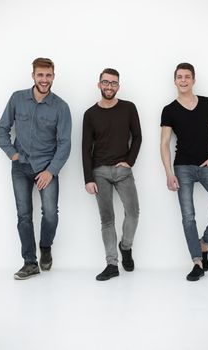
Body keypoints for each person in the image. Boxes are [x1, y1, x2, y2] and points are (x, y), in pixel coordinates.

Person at [0, 57, 72, 280]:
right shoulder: (17, 99)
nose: (44, 79)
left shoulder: (61, 106)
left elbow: (65, 143)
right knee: (23, 215)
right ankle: (30, 262)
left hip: (46, 167)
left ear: (53, 76)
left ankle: (45, 247)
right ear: (33, 76)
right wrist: (12, 153)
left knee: (50, 214)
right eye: (40, 75)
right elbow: (2, 129)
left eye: (48, 75)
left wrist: (51, 171)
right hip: (20, 167)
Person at [160, 62, 208, 281]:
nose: (183, 80)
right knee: (188, 217)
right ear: (175, 80)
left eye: (187, 77)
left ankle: (204, 244)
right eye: (179, 77)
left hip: (206, 165)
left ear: (193, 80)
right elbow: (163, 143)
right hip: (182, 168)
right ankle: (197, 262)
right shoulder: (169, 109)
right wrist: (169, 173)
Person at [82, 68, 142, 281]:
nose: (109, 86)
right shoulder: (90, 114)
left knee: (133, 213)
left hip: (123, 170)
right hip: (99, 172)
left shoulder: (128, 108)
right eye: (105, 82)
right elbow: (85, 148)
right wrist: (88, 178)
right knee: (107, 219)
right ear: (99, 84)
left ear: (118, 86)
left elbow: (137, 137)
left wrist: (129, 162)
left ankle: (126, 246)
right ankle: (111, 264)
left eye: (113, 83)